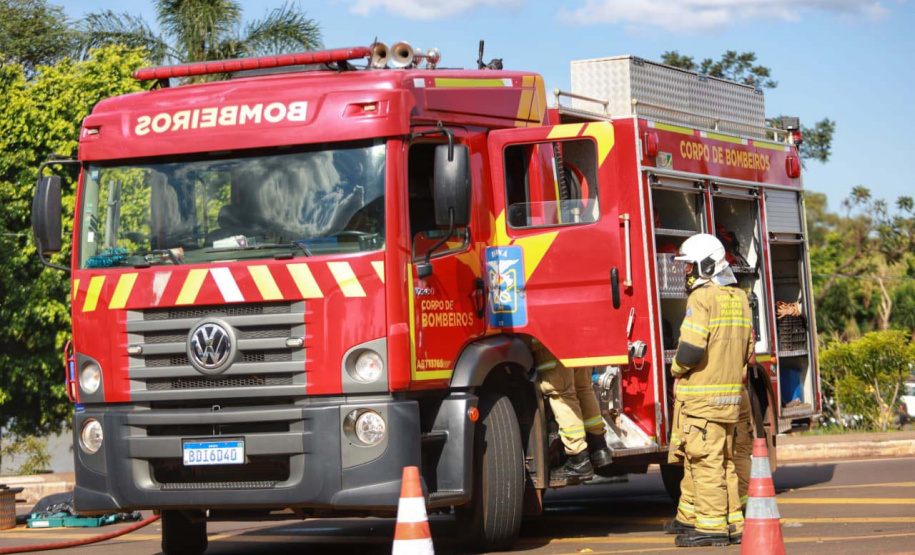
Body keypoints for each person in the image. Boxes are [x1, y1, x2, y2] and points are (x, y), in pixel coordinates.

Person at [666, 234, 754, 548]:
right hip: (731, 400)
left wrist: (675, 371)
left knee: (705, 463)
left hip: (703, 401)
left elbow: (690, 350)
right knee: (725, 461)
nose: (686, 272)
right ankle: (732, 523)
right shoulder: (739, 297)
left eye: (689, 266)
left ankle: (712, 528)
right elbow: (748, 350)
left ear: (706, 265)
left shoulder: (701, 298)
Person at [530, 338, 613, 481]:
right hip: (577, 337)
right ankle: (599, 448)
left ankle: (578, 458)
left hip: (550, 338)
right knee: (584, 388)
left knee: (561, 393)